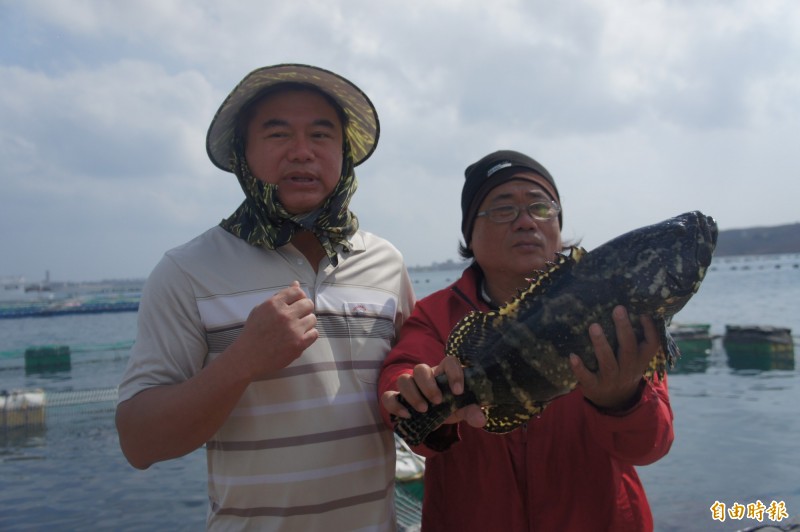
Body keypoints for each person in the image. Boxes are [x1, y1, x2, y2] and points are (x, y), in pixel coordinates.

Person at [116, 64, 415, 531]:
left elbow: (410, 396)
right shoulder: (186, 271)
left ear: (344, 153)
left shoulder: (387, 264)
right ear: (243, 153)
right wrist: (243, 361)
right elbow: (139, 443)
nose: (302, 152)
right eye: (278, 135)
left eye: (322, 135)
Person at [379, 150, 674, 531]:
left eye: (540, 207)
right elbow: (400, 381)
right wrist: (416, 395)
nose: (526, 222)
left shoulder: (614, 311)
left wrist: (622, 401)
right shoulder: (437, 315)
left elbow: (650, 446)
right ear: (471, 232)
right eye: (503, 210)